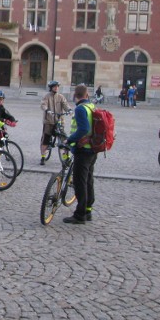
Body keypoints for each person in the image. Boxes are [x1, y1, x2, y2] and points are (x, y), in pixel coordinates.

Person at [63, 84, 97, 224]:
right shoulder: (91, 107)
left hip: (83, 150)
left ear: (74, 95)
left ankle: (80, 214)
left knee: (80, 182)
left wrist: (69, 140)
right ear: (87, 95)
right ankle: (88, 210)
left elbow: (83, 129)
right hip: (93, 148)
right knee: (88, 180)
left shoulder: (80, 109)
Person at [40, 80, 71, 165]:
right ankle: (43, 156)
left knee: (64, 140)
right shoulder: (47, 96)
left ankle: (65, 157)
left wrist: (69, 110)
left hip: (59, 121)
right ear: (51, 88)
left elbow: (65, 105)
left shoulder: (61, 97)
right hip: (49, 121)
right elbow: (43, 104)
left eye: (57, 86)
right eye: (55, 86)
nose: (56, 88)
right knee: (45, 139)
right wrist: (47, 110)